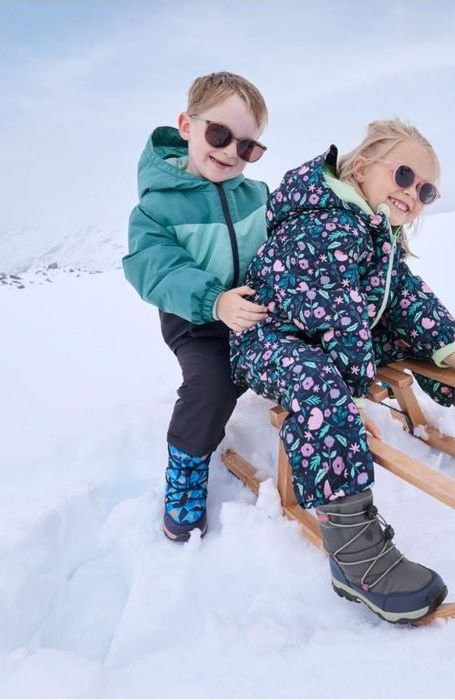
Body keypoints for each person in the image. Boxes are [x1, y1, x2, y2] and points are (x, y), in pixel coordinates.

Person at [230, 119, 455, 623]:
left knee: (419, 333)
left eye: (426, 190)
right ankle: (355, 556)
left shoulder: (376, 230)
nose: (413, 194)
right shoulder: (322, 221)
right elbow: (335, 316)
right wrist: (349, 402)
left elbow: (407, 299)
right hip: (272, 338)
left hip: (333, 333)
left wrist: (452, 351)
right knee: (321, 393)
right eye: (405, 176)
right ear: (364, 168)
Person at [122, 72, 271, 542]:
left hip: (251, 309)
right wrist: (213, 300)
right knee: (212, 384)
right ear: (187, 125)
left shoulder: (257, 196)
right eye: (220, 135)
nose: (231, 152)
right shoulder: (156, 208)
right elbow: (156, 268)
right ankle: (186, 469)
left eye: (247, 147)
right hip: (195, 320)